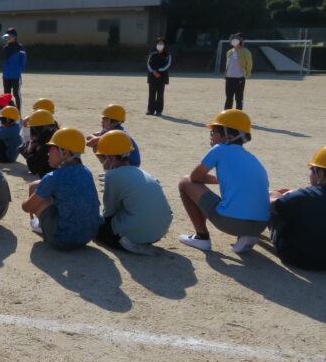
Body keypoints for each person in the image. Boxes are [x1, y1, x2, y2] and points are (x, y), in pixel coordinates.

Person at [178, 109, 269, 254]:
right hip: (260, 225)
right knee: (241, 200)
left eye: (214, 132)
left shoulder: (220, 149)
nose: (211, 136)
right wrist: (219, 180)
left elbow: (194, 178)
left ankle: (201, 237)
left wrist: (214, 180)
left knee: (185, 182)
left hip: (232, 223)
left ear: (228, 136)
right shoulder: (252, 158)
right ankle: (246, 235)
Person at [93, 130, 173, 255]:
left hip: (137, 234)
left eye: (102, 157)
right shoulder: (145, 173)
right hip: (160, 232)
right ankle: (137, 239)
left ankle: (129, 243)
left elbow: (109, 212)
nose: (102, 162)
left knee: (96, 229)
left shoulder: (112, 175)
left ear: (112, 157)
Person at [21, 128, 102, 250]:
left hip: (63, 241)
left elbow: (27, 208)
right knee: (37, 185)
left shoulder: (53, 177)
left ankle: (42, 226)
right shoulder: (86, 171)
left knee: (36, 191)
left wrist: (24, 201)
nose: (48, 153)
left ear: (65, 153)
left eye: (51, 149)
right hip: (88, 236)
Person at [267, 146, 326, 270]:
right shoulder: (304, 197)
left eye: (312, 169)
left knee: (279, 210)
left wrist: (273, 195)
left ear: (320, 173)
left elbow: (272, 205)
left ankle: (248, 234)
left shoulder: (305, 196)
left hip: (297, 258)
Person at [21, 109, 59, 177]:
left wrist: (30, 151)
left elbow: (33, 169)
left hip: (50, 176)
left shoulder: (46, 144)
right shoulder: (55, 134)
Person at [223, 32, 252, 110]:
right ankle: (227, 115)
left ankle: (238, 115)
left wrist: (247, 74)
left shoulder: (245, 51)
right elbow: (228, 65)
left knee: (239, 98)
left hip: (239, 78)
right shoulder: (229, 52)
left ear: (241, 40)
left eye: (237, 38)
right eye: (234, 38)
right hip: (229, 78)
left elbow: (249, 64)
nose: (234, 40)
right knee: (228, 97)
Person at [1, 27, 26, 111]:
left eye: (9, 36)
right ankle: (7, 112)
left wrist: (19, 69)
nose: (8, 38)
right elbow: (3, 61)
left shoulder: (20, 48)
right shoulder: (5, 48)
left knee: (16, 94)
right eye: (7, 37)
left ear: (14, 37)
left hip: (15, 75)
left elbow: (23, 60)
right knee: (6, 95)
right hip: (6, 75)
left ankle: (18, 112)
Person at [146, 37, 171, 116]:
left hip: (162, 77)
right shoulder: (152, 54)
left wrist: (159, 71)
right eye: (158, 43)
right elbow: (148, 64)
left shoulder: (167, 55)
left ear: (164, 45)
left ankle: (159, 110)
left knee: (160, 94)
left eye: (161, 43)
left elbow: (168, 65)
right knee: (151, 94)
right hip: (152, 77)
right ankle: (150, 110)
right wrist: (153, 71)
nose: (160, 45)